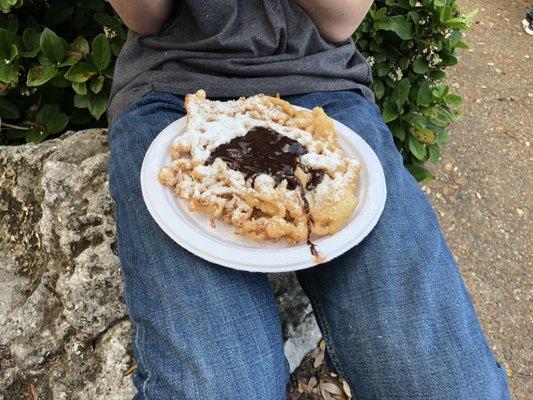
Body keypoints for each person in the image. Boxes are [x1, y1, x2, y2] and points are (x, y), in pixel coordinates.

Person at [107, 1, 510, 399]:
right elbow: (146, 17)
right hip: (171, 86)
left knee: (451, 386)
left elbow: (339, 20)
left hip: (320, 83)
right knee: (221, 389)